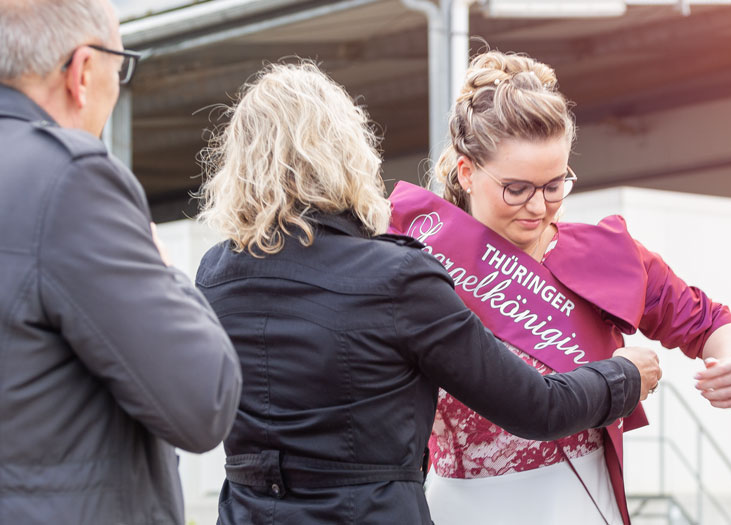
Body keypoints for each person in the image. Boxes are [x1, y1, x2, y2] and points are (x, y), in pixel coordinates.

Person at [192, 61, 661, 525]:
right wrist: (623, 377)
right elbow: (536, 407)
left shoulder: (215, 275)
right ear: (348, 151)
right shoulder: (396, 276)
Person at [0, 0, 243, 523]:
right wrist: (165, 272)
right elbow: (204, 401)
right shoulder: (72, 181)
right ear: (83, 71)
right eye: (120, 68)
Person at [386, 51, 731, 525]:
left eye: (555, 185)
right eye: (516, 189)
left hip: (581, 500)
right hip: (462, 505)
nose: (538, 207)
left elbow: (710, 323)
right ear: (466, 171)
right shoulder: (420, 266)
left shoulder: (608, 254)